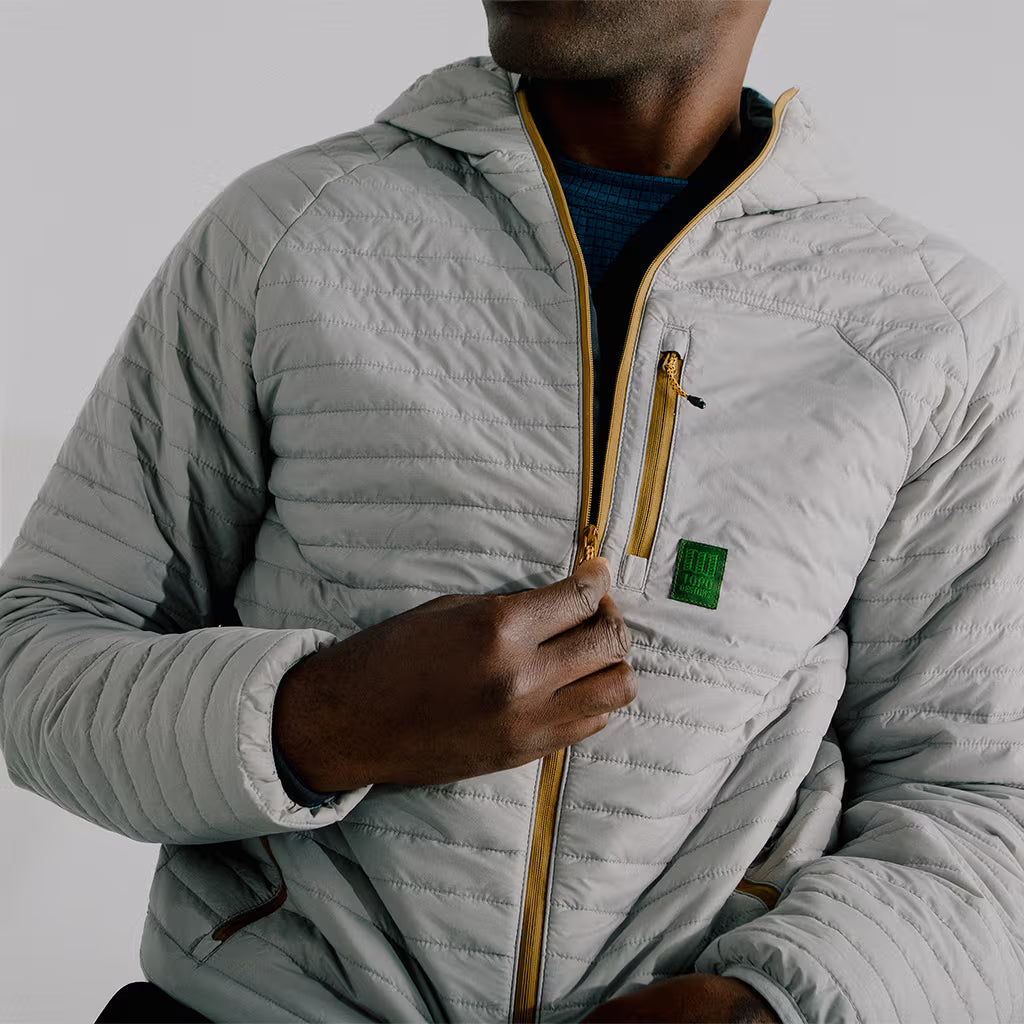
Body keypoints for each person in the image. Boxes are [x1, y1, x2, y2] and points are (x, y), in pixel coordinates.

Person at [2, 1, 1023, 1021]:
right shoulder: (288, 235)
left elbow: (984, 796)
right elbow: (35, 655)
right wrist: (324, 720)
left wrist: (768, 1005)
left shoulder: (933, 334)